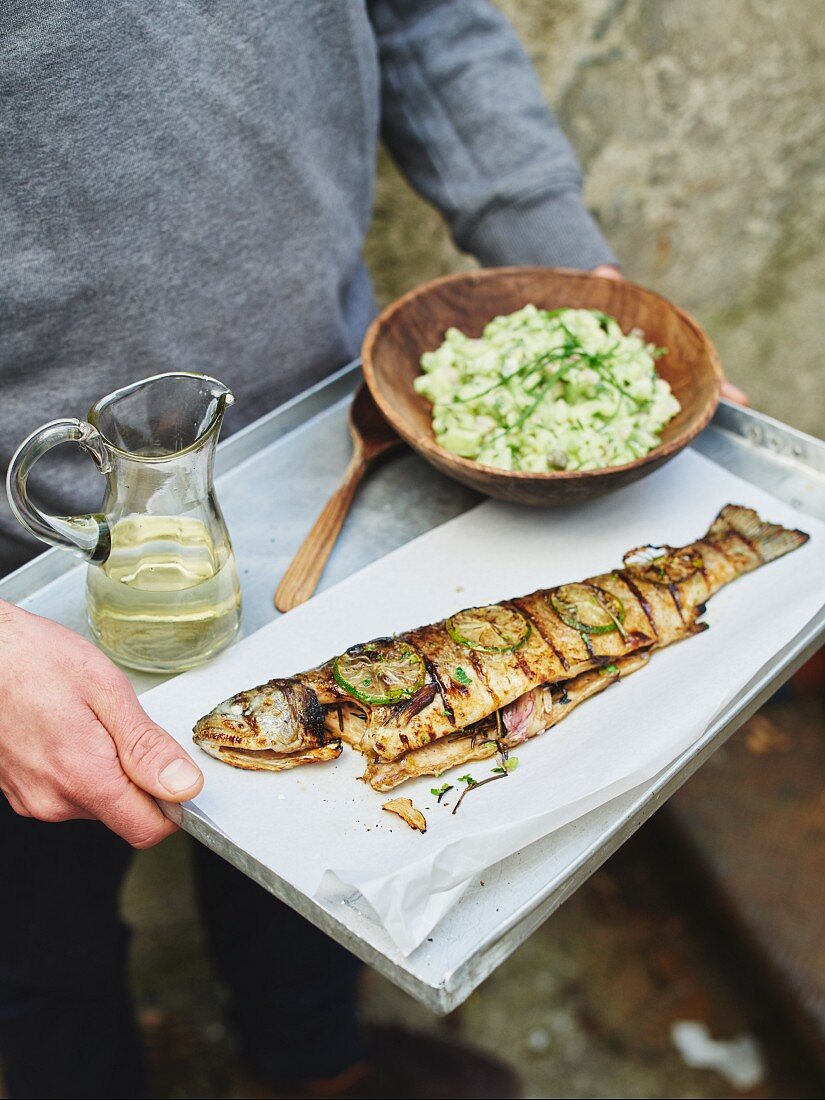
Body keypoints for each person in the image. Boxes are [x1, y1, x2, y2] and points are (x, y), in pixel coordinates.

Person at [0, 3, 745, 1098]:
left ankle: (316, 1065)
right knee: (38, 944)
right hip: (25, 570)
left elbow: (428, 17)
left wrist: (590, 303)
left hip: (328, 437)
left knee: (321, 861)